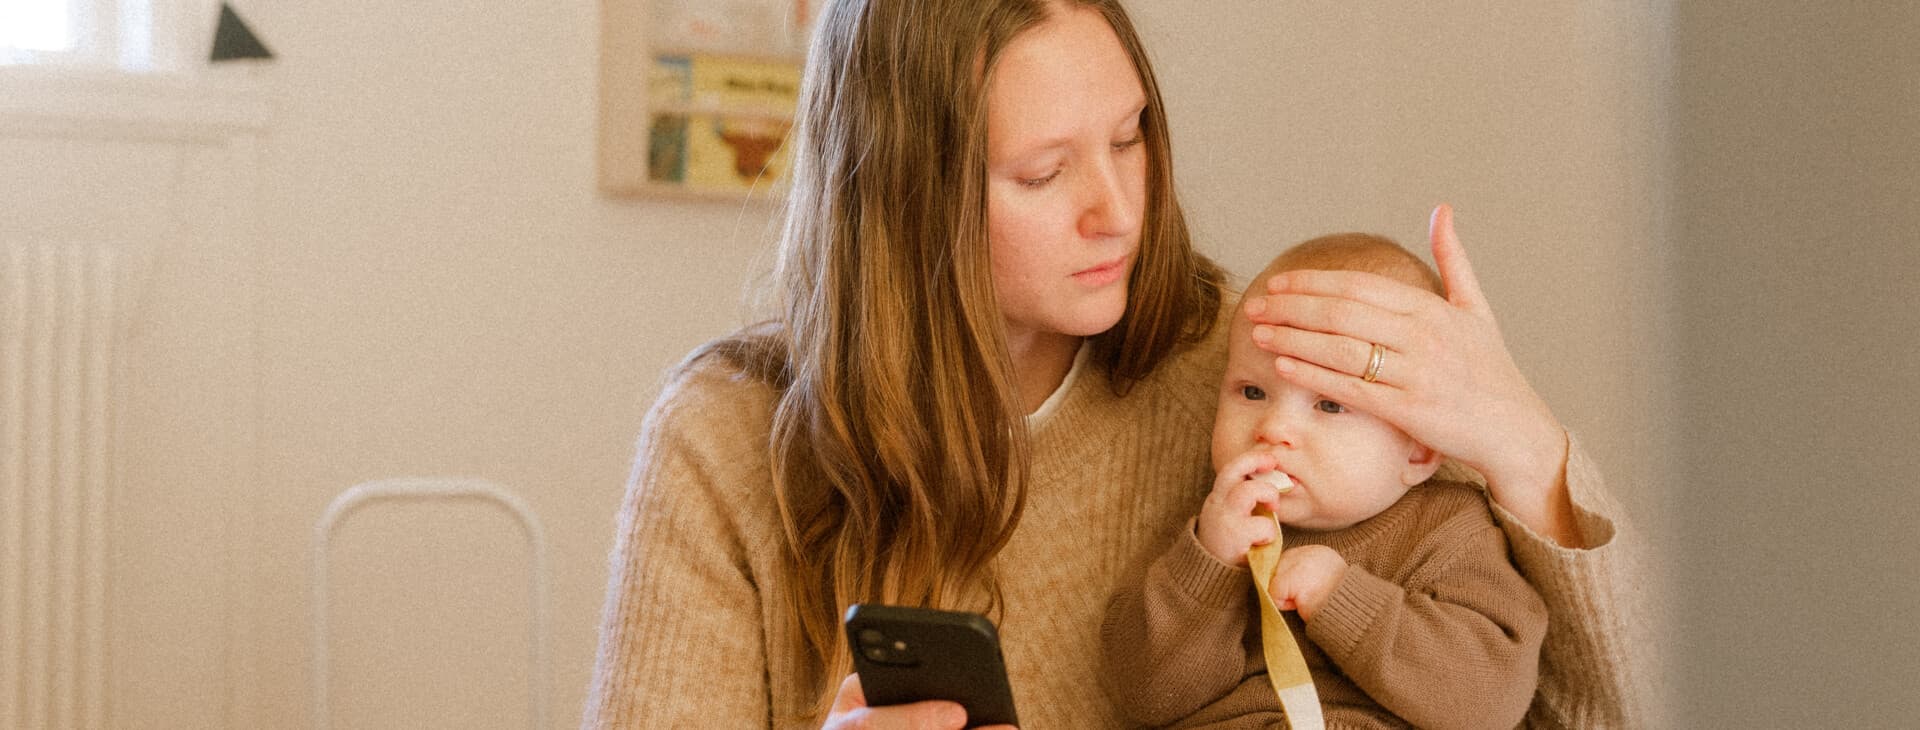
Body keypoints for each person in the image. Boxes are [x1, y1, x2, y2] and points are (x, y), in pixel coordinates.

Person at [583, 1, 1654, 728]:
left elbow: (1636, 704)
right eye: (1046, 173)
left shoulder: (1267, 376)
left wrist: (1523, 441)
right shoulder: (726, 444)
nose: (1119, 211)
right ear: (905, 199)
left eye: (1132, 137)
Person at [1102, 233, 1548, 729]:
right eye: (1252, 391)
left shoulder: (1449, 530)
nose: (1272, 429)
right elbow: (1145, 699)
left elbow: (1490, 703)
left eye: (1329, 405)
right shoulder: (1214, 530)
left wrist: (1343, 599)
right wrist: (1207, 567)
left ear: (1419, 448)